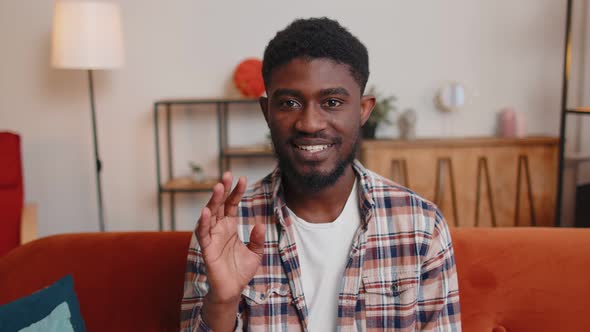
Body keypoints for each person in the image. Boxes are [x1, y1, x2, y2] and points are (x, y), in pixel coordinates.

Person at [181, 17, 461, 331]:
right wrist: (222, 301)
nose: (310, 123)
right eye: (289, 102)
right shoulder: (224, 230)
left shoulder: (421, 225)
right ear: (266, 111)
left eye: (331, 102)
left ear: (363, 110)